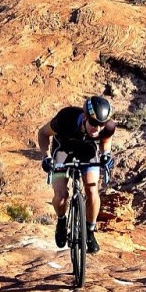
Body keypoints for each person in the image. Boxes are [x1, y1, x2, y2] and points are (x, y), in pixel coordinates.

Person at [38, 95, 115, 253]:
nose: (97, 129)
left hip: (87, 151)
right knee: (61, 196)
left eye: (101, 125)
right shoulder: (66, 118)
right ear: (85, 116)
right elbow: (43, 133)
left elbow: (106, 140)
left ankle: (90, 232)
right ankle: (61, 221)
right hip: (63, 150)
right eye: (93, 123)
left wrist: (106, 154)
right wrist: (46, 157)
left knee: (92, 190)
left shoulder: (108, 127)